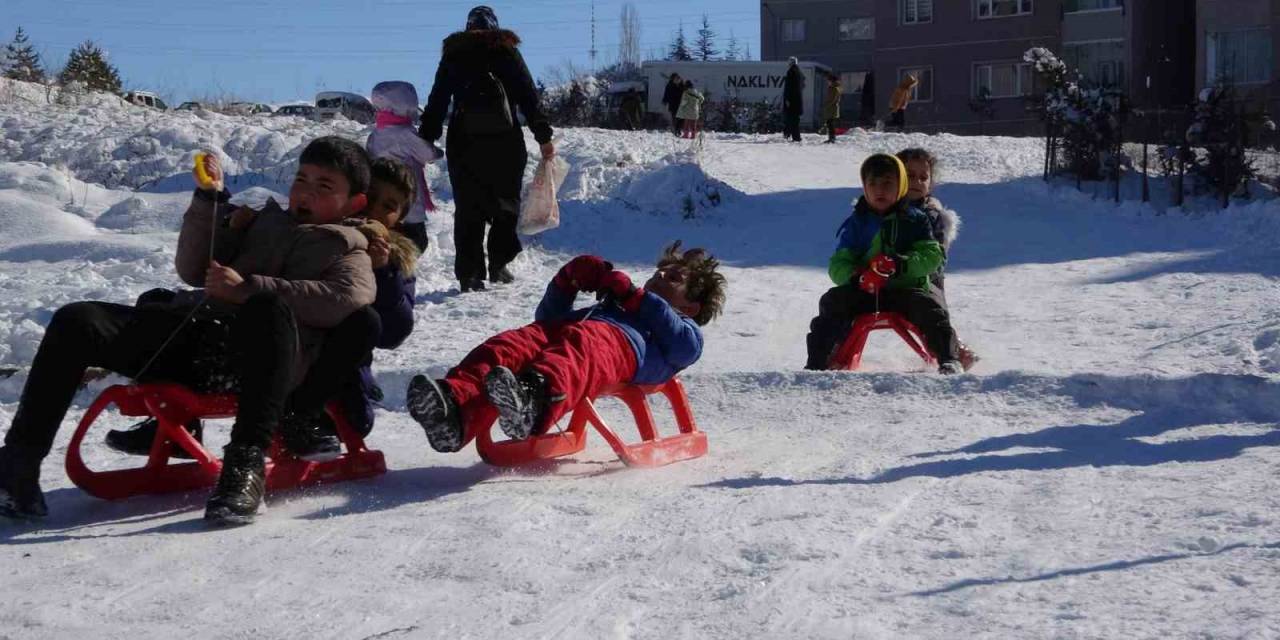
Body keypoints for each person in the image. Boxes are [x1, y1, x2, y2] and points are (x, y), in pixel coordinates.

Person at [0, 137, 377, 525]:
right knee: (77, 321)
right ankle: (18, 463)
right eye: (302, 179)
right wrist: (209, 202)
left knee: (265, 307)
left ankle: (243, 467)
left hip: (264, 367)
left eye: (324, 186)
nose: (305, 192)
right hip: (199, 341)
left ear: (355, 204)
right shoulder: (262, 223)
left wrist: (248, 289)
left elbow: (346, 298)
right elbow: (193, 269)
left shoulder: (350, 248)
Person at [405, 243, 727, 453]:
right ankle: (455, 410)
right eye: (658, 271)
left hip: (618, 348)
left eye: (672, 277)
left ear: (693, 306)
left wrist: (637, 299)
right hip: (568, 329)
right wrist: (567, 281)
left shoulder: (686, 330)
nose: (658, 276)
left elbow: (683, 347)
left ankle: (535, 402)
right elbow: (547, 318)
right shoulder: (621, 302)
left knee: (580, 347)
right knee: (508, 345)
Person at [419, 5, 554, 293]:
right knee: (506, 204)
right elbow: (528, 95)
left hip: (464, 142)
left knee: (469, 208)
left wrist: (426, 137)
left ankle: (469, 274)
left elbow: (438, 98)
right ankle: (498, 265)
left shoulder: (454, 55)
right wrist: (543, 135)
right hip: (504, 141)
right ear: (495, 26)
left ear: (467, 27)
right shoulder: (506, 51)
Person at [804, 153, 962, 374]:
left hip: (905, 289)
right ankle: (819, 361)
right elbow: (839, 262)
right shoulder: (857, 223)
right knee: (833, 302)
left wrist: (901, 264)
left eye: (888, 184)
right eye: (873, 184)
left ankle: (948, 359)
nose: (880, 190)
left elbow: (931, 255)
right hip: (865, 291)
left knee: (930, 310)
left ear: (901, 187)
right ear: (864, 188)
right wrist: (857, 276)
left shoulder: (915, 220)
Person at [896, 148, 979, 371]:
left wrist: (910, 265)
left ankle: (952, 352)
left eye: (923, 177)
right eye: (910, 176)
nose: (917, 182)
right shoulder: (881, 208)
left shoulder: (933, 216)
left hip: (923, 280)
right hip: (881, 278)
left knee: (931, 316)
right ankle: (837, 348)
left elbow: (937, 256)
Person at [367, 80, 440, 253]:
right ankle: (399, 272)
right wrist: (438, 152)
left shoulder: (376, 134)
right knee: (417, 242)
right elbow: (427, 153)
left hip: (383, 200)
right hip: (408, 198)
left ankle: (390, 268)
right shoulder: (405, 133)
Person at [782, 57, 805, 142]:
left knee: (790, 118)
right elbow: (802, 85)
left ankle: (795, 137)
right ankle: (790, 134)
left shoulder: (791, 72)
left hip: (792, 100)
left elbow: (789, 87)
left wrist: (787, 99)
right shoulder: (800, 73)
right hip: (798, 100)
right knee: (795, 119)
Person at [822, 74, 842, 144]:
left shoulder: (834, 88)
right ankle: (831, 138)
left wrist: (826, 105)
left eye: (829, 80)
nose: (828, 82)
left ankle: (832, 138)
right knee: (830, 123)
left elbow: (833, 99)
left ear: (832, 81)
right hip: (831, 108)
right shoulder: (833, 88)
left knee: (830, 124)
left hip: (832, 108)